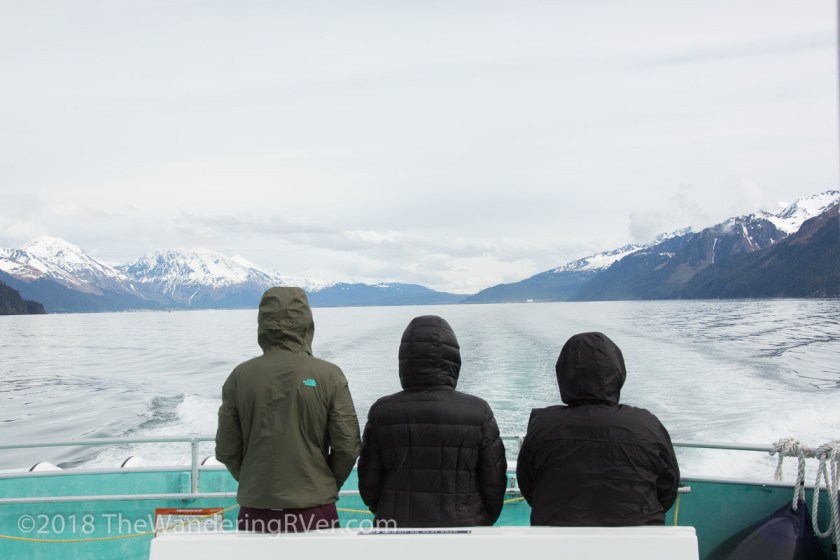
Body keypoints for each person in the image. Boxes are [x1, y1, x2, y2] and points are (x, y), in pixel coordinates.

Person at [215, 286, 361, 532]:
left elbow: (227, 450)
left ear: (262, 324)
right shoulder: (329, 375)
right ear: (307, 324)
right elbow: (347, 447)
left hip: (256, 510)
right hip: (316, 509)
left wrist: (256, 481)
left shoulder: (240, 376)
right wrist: (324, 483)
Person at [357, 315, 508, 528]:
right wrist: (480, 518)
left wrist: (386, 508)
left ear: (405, 358)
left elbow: (368, 484)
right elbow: (494, 481)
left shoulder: (381, 411)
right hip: (465, 528)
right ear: (453, 359)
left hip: (395, 527)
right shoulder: (478, 411)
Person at [516, 331, 679, 526]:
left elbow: (527, 484)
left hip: (558, 540)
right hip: (637, 542)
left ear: (564, 373)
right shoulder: (647, 424)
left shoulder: (542, 425)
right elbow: (668, 486)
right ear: (618, 372)